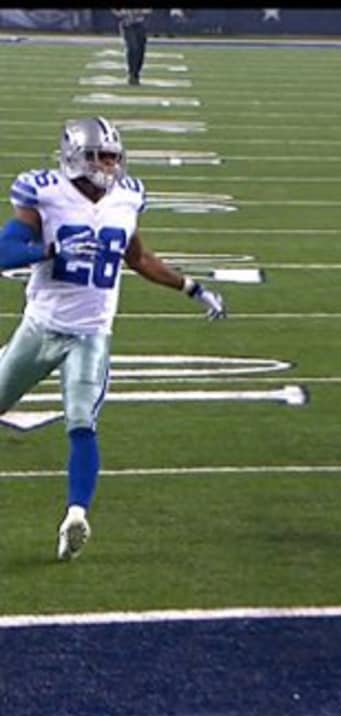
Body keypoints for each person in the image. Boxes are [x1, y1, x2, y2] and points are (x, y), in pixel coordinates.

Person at [1, 117, 227, 560]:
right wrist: (49, 250)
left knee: (83, 425)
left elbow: (138, 257)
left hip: (91, 334)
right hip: (41, 325)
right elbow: (4, 251)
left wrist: (190, 287)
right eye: (100, 156)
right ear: (74, 156)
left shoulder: (128, 196)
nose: (109, 164)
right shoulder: (43, 192)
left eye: (113, 156)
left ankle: (76, 514)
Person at [112, 8, 150, 86]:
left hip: (140, 24)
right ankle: (132, 73)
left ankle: (136, 73)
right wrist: (122, 13)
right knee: (132, 47)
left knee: (140, 50)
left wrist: (140, 11)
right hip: (127, 24)